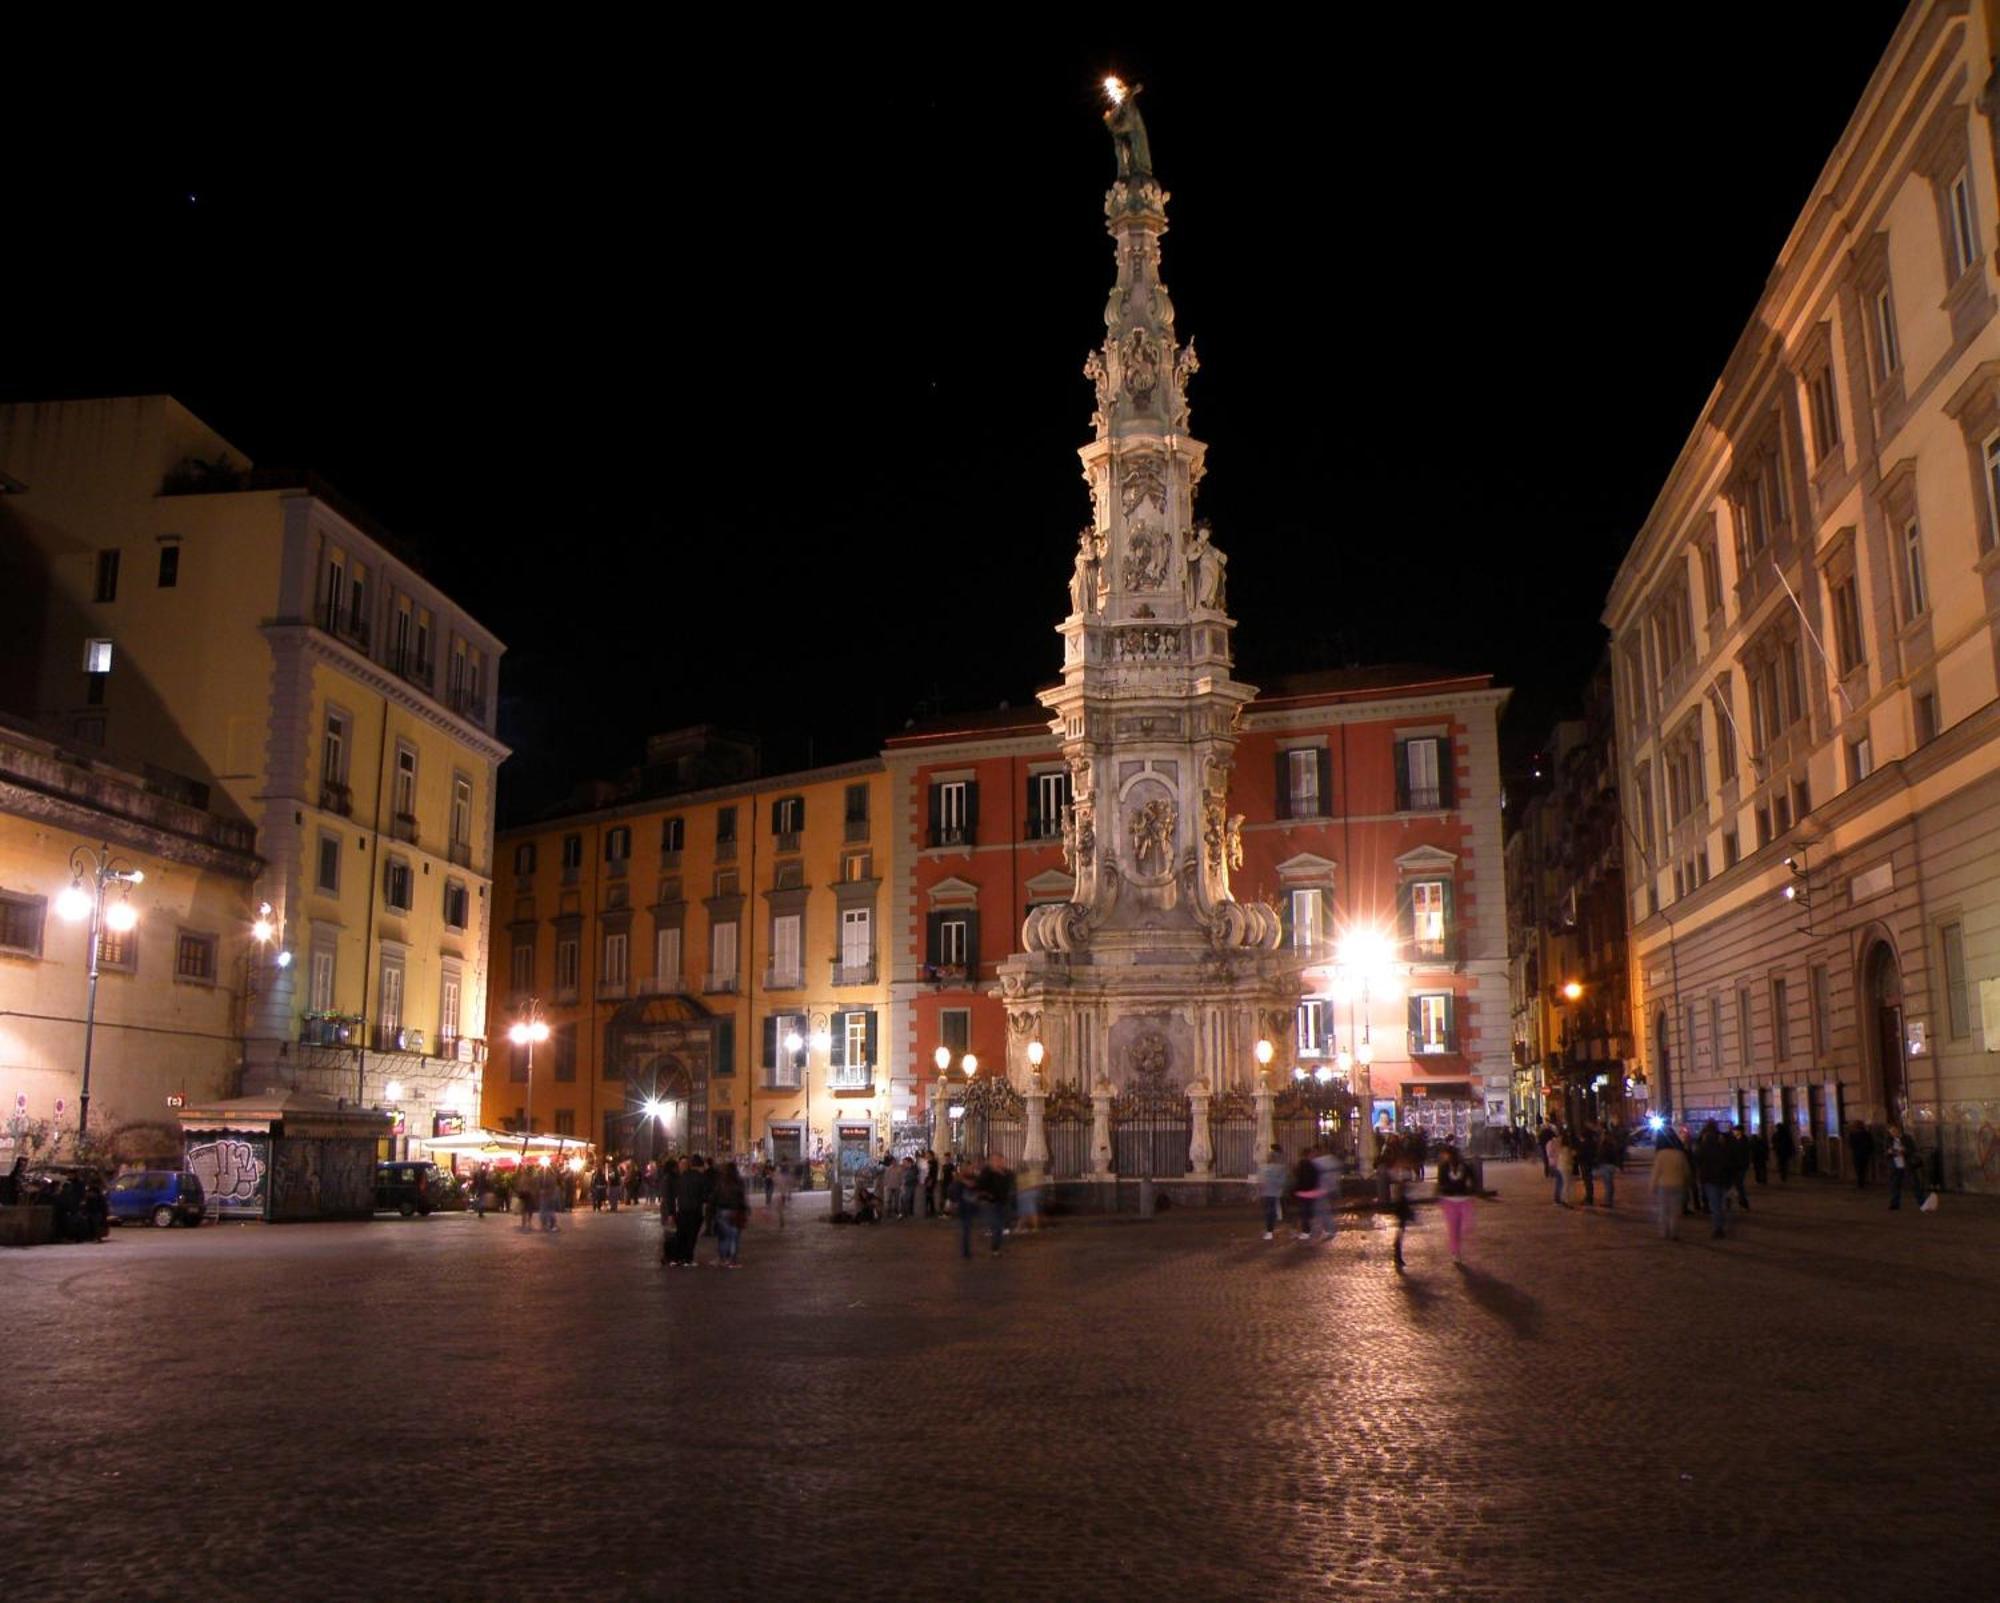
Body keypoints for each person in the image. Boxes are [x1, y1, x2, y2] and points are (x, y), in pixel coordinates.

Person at [1435, 1145, 1475, 1263]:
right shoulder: (1443, 1167)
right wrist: (1442, 1190)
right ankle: (1455, 1251)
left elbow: (1472, 1179)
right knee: (1453, 1228)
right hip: (1449, 1200)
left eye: (1446, 1154)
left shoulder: (1465, 1166)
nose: (1444, 1157)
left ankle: (1457, 1246)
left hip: (1464, 1199)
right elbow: (1440, 1181)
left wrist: (1471, 1188)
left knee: (1467, 1227)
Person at [1382, 1139, 1416, 1272]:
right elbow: (1400, 1185)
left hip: (1401, 1201)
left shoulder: (1396, 1168)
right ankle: (1397, 1250)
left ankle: (1397, 1251)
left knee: (1402, 1227)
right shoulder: (1399, 1169)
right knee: (1401, 1227)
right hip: (1401, 1203)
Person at [1695, 1121, 1733, 1238]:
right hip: (1722, 1177)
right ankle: (1720, 1222)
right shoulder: (1722, 1143)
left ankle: (1718, 1227)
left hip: (1709, 1179)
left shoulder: (1703, 1146)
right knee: (1720, 1203)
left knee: (1714, 1204)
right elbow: (1729, 1160)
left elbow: (1697, 1160)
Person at [1649, 1135, 1691, 1241]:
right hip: (1678, 1184)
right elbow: (1686, 1171)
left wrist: (1652, 1186)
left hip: (1664, 1185)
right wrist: (1687, 1183)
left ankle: (1664, 1232)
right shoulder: (1680, 1155)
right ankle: (1674, 1232)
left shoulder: (1661, 1155)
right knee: (1675, 1210)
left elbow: (1656, 1172)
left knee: (1663, 1209)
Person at [1885, 1122, 1930, 1211]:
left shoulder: (1907, 1138)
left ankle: (1922, 1203)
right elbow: (1885, 1151)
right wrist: (1889, 1152)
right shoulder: (1889, 1140)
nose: (1893, 1133)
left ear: (1899, 1130)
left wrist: (1905, 1151)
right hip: (1895, 1165)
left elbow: (1913, 1149)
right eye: (1891, 1132)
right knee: (1895, 1185)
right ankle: (1895, 1203)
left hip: (1907, 1165)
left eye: (1894, 1131)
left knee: (1915, 1184)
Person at [711, 1159, 747, 1267]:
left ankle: (722, 1258)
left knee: (723, 1237)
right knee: (734, 1237)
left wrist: (712, 1210)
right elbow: (742, 1197)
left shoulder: (721, 1181)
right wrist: (744, 1209)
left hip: (722, 1210)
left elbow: (714, 1196)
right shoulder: (739, 1181)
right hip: (735, 1211)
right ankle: (732, 1259)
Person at [980, 1153, 1014, 1255]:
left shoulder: (1008, 1173)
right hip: (991, 1204)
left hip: (1002, 1203)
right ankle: (995, 1248)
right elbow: (981, 1183)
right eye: (994, 1160)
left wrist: (999, 1172)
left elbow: (1009, 1185)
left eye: (999, 1160)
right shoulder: (987, 1172)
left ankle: (996, 1247)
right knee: (997, 1225)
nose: (997, 1162)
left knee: (1000, 1227)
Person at [1255, 1146, 1288, 1241]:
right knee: (1272, 1210)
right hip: (1276, 1192)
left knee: (1268, 1211)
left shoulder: (1262, 1168)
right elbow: (1283, 1181)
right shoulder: (1281, 1168)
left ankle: (1269, 1231)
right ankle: (1270, 1230)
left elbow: (1260, 1181)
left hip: (1265, 1192)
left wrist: (1259, 1192)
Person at [1726, 1126, 1751, 1210]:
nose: (1734, 1132)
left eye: (1735, 1131)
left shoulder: (1744, 1141)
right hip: (1733, 1166)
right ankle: (1740, 1201)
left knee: (1738, 1184)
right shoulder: (1733, 1140)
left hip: (1740, 1166)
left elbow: (1744, 1154)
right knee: (1735, 1184)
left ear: (1740, 1131)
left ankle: (1742, 1201)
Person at [1016, 1158, 1045, 1233]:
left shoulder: (1029, 1175)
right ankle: (1021, 1227)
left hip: (1027, 1195)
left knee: (1028, 1211)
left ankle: (1028, 1227)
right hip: (1026, 1195)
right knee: (1026, 1211)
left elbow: (1036, 1186)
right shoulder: (1023, 1176)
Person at [1848, 1120, 1875, 1188]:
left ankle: (1860, 1182)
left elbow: (1851, 1144)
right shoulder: (1866, 1134)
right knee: (1863, 1168)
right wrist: (1869, 1151)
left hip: (1857, 1153)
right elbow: (1871, 1143)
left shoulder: (1853, 1134)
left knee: (1858, 1168)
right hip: (1865, 1153)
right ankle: (1862, 1181)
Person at [1771, 1119, 1795, 1184]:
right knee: (1784, 1163)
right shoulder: (1786, 1134)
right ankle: (1784, 1174)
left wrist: (1775, 1147)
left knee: (1782, 1163)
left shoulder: (1777, 1134)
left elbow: (1773, 1141)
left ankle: (1783, 1174)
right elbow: (1790, 1143)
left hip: (1780, 1151)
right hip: (1784, 1152)